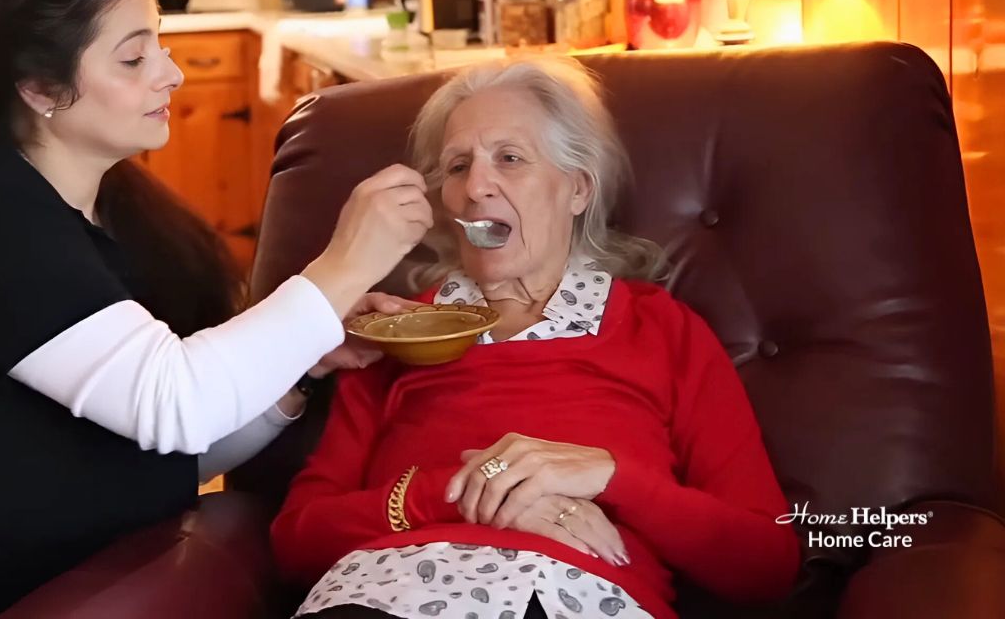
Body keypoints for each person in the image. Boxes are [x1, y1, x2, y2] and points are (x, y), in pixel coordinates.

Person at [0, 0, 432, 618]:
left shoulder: (110, 213)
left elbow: (161, 457)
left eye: (161, 45)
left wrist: (300, 369)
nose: (170, 74)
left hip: (94, 577)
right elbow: (176, 404)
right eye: (133, 56)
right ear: (39, 89)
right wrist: (342, 269)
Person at [271, 57, 800, 619]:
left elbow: (765, 563)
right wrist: (463, 492)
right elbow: (296, 542)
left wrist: (610, 476)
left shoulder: (660, 330)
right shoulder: (397, 332)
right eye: (456, 167)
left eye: (510, 159)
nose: (475, 187)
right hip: (381, 596)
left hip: (571, 597)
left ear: (578, 188)